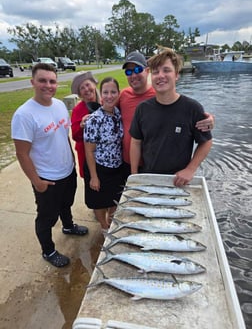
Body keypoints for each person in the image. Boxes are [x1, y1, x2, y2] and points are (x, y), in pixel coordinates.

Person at [11, 63, 88, 268]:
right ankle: (48, 250)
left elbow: (64, 137)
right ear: (32, 82)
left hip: (67, 171)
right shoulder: (24, 115)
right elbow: (22, 153)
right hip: (47, 177)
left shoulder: (60, 106)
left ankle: (68, 226)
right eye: (42, 80)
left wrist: (71, 162)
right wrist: (37, 182)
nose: (48, 85)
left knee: (66, 203)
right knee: (46, 217)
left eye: (52, 81)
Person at [119, 50, 215, 180]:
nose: (160, 76)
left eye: (166, 70)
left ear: (176, 75)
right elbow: (135, 142)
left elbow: (206, 142)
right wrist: (135, 175)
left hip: (178, 180)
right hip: (148, 176)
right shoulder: (142, 108)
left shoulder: (192, 108)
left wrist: (190, 169)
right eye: (156, 72)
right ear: (151, 76)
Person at [83, 77, 124, 232]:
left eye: (113, 92)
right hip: (99, 167)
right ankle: (104, 227)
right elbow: (89, 150)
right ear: (100, 94)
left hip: (116, 167)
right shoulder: (94, 119)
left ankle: (112, 226)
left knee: (114, 200)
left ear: (118, 93)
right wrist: (94, 176)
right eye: (105, 92)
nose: (109, 96)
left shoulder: (118, 113)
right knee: (99, 203)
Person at [71, 71, 100, 178]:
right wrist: (81, 126)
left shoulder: (106, 101)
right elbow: (75, 136)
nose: (86, 89)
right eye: (82, 88)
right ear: (79, 94)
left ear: (94, 84)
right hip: (86, 157)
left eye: (88, 85)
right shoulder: (78, 110)